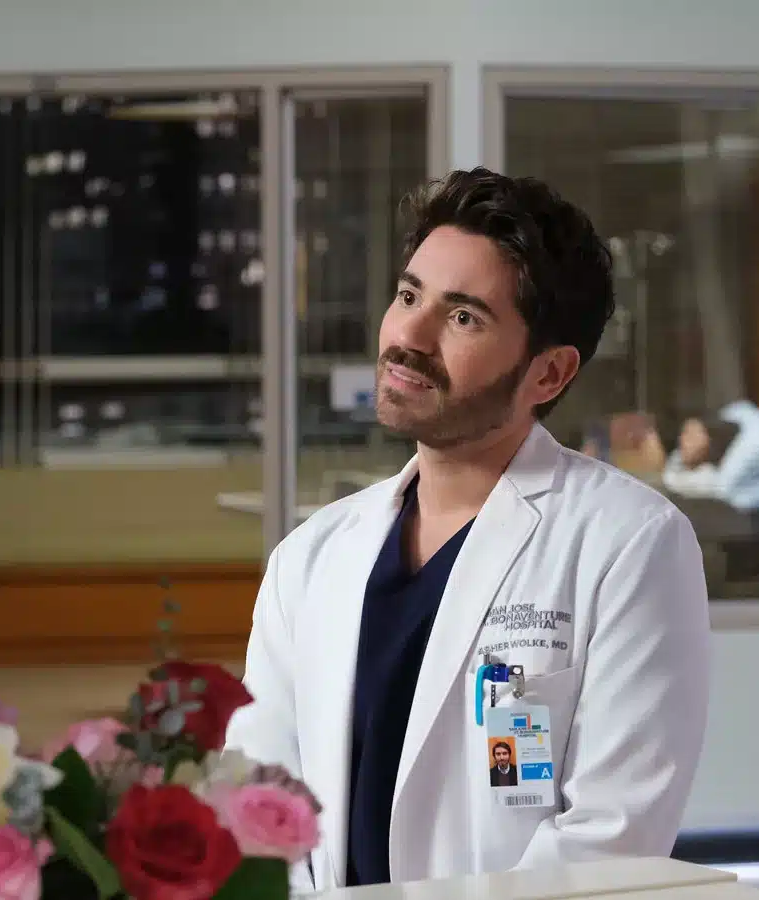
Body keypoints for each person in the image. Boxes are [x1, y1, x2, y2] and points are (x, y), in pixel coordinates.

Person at [225, 168, 712, 890]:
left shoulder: (628, 545)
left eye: (463, 318)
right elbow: (261, 801)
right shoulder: (311, 557)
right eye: (409, 296)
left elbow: (612, 838)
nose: (409, 336)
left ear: (549, 374)